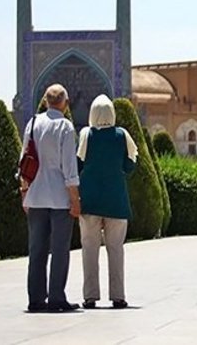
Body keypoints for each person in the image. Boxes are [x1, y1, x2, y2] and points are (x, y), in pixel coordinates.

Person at [20, 84, 81, 312]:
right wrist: (75, 199)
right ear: (65, 104)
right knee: (59, 249)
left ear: (45, 101)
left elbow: (24, 160)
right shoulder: (65, 127)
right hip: (59, 198)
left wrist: (24, 192)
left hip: (35, 196)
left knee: (36, 250)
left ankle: (36, 300)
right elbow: (69, 167)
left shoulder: (33, 123)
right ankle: (56, 298)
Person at [76, 94, 137, 309]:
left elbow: (78, 165)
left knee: (89, 250)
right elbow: (130, 166)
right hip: (116, 202)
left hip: (90, 202)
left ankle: (90, 296)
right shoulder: (122, 135)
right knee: (116, 249)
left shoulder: (86, 135)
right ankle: (118, 296)